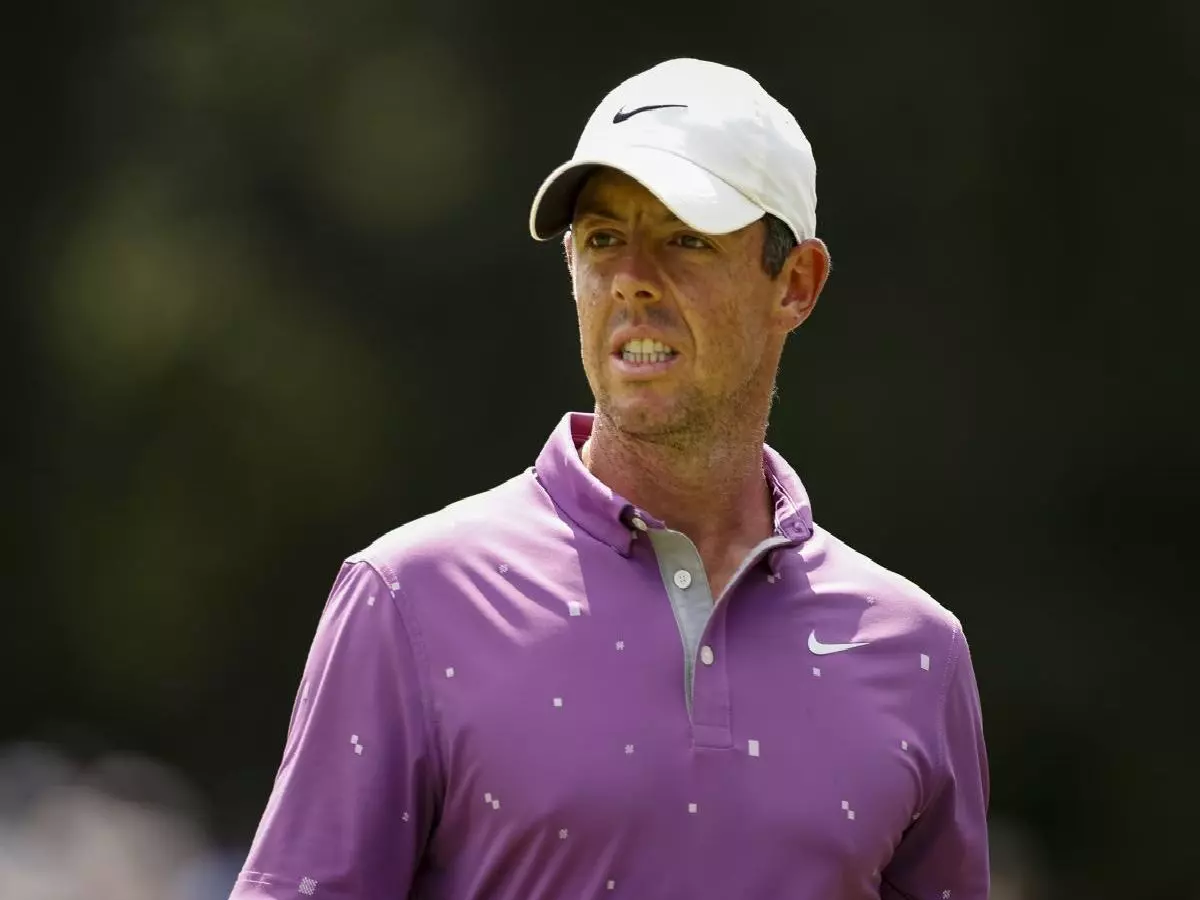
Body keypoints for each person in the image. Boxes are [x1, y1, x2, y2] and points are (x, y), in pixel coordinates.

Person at [228, 57, 990, 900]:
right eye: (600, 240)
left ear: (796, 284)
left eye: (686, 238)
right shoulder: (409, 600)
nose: (631, 277)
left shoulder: (918, 653)